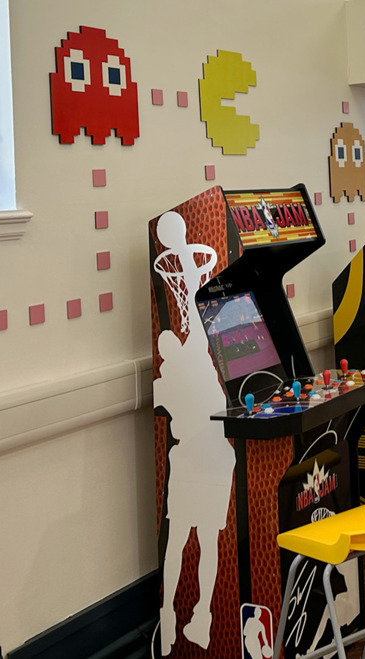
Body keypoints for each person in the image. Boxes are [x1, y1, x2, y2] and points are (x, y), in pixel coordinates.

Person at [153, 211, 232, 654]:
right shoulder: (197, 361)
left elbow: (193, 313)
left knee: (181, 541)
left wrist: (183, 255)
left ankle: (177, 615)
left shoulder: (167, 382)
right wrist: (183, 254)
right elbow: (198, 313)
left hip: (194, 457)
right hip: (211, 454)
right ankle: (197, 615)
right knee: (204, 541)